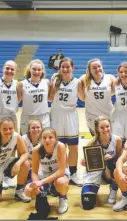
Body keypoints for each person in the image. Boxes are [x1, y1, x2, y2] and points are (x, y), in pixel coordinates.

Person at [49, 57, 85, 187]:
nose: (65, 69)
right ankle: (62, 171)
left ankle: (74, 173)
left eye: (67, 67)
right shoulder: (54, 80)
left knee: (73, 146)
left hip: (71, 114)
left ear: (72, 68)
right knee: (59, 147)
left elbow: (83, 98)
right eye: (62, 67)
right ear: (59, 68)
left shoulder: (78, 82)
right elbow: (50, 97)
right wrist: (52, 83)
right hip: (57, 114)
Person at [24, 128, 70, 214]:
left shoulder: (60, 146)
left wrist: (41, 182)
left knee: (61, 182)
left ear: (55, 138)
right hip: (44, 174)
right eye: (44, 138)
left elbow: (61, 171)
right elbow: (34, 172)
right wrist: (36, 183)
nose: (47, 140)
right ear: (40, 139)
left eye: (50, 137)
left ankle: (63, 198)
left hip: (58, 175)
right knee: (28, 190)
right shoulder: (36, 150)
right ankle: (43, 194)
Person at [81, 116, 122, 210]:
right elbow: (87, 161)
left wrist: (109, 161)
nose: (105, 129)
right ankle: (91, 188)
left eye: (107, 126)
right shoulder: (92, 143)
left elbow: (120, 159)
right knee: (87, 204)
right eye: (102, 127)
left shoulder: (117, 140)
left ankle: (114, 187)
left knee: (112, 162)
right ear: (97, 129)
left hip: (110, 172)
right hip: (95, 174)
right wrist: (84, 162)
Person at [0, 60, 19, 189]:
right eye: (7, 68)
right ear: (3, 69)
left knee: (12, 147)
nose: (9, 71)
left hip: (12, 117)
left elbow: (18, 98)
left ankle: (8, 176)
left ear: (16, 71)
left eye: (12, 69)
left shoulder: (17, 84)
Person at [80, 58, 116, 135]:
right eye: (94, 68)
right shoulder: (84, 79)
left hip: (108, 114)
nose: (97, 69)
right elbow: (82, 97)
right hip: (92, 116)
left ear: (102, 67)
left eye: (99, 66)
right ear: (89, 70)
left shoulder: (110, 78)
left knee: (109, 140)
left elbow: (117, 90)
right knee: (96, 142)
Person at [17, 59, 51, 135]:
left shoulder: (47, 82)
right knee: (25, 142)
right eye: (34, 69)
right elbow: (16, 101)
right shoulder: (22, 84)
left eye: (39, 69)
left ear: (42, 71)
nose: (36, 72)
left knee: (44, 142)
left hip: (43, 117)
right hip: (27, 117)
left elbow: (51, 98)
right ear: (30, 69)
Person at [22, 119, 42, 183]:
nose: (36, 129)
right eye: (33, 128)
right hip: (29, 164)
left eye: (38, 127)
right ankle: (21, 185)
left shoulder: (45, 138)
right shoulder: (23, 139)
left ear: (41, 128)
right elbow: (21, 156)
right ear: (29, 129)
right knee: (24, 163)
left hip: (42, 165)